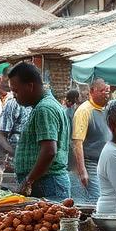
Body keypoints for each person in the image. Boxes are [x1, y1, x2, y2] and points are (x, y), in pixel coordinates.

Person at [8, 62, 71, 199]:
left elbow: (49, 151)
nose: (14, 95)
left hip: (47, 184)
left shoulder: (44, 108)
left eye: (16, 91)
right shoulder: (43, 106)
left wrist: (28, 180)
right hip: (45, 183)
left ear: (30, 86)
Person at [70, 78, 111, 205]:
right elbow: (77, 143)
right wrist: (82, 171)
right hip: (91, 163)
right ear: (92, 91)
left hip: (105, 163)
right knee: (96, 200)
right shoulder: (84, 111)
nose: (107, 94)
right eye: (103, 91)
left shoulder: (107, 109)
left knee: (106, 199)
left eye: (108, 91)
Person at [0, 92, 32, 172]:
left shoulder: (40, 104)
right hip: (15, 164)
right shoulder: (14, 104)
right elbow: (1, 135)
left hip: (33, 163)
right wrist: (15, 154)